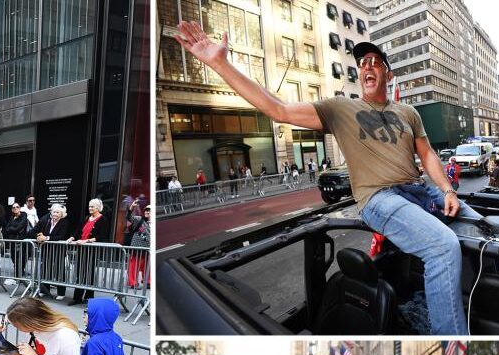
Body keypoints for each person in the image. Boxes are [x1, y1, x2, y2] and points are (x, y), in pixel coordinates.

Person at [174, 25, 478, 333]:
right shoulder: (341, 108)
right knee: (442, 247)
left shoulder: (409, 112)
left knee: (486, 230)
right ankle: (452, 347)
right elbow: (277, 109)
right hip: (380, 198)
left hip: (420, 190)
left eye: (374, 62)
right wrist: (219, 63)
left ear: (388, 74)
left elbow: (427, 155)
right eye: (362, 64)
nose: (367, 67)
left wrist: (448, 191)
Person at [0, 296, 81, 355]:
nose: (16, 328)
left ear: (30, 323)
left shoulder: (66, 338)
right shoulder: (38, 319)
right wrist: (1, 323)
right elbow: (13, 314)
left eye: (16, 326)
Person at [69, 198, 112, 306]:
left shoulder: (103, 219)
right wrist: (72, 237)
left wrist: (87, 241)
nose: (90, 208)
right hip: (82, 249)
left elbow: (101, 236)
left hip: (92, 250)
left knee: (90, 273)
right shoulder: (87, 218)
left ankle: (89, 297)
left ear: (98, 207)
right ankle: (77, 298)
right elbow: (79, 230)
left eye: (92, 206)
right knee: (79, 272)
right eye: (89, 206)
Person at [36, 203, 73, 299]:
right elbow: (44, 233)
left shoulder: (64, 222)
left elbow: (62, 236)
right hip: (47, 250)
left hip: (59, 251)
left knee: (59, 270)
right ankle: (45, 290)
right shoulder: (48, 221)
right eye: (54, 212)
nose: (55, 214)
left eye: (57, 212)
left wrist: (46, 238)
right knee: (45, 269)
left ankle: (61, 293)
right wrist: (40, 236)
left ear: (62, 214)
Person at [124, 203, 151, 289]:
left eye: (150, 210)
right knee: (134, 265)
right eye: (146, 210)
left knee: (148, 266)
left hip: (148, 249)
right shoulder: (139, 219)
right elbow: (129, 217)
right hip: (137, 247)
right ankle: (133, 282)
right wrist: (131, 208)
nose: (147, 212)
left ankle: (148, 282)